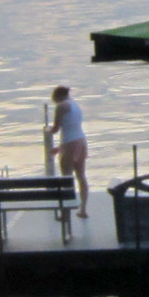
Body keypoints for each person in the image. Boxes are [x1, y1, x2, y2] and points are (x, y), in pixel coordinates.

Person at [49, 84, 90, 216]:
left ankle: (66, 211)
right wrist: (60, 148)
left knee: (66, 177)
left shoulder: (61, 106)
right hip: (81, 141)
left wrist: (46, 130)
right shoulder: (75, 106)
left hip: (70, 144)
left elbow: (55, 129)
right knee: (81, 176)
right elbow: (72, 128)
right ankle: (83, 209)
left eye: (54, 99)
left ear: (58, 96)